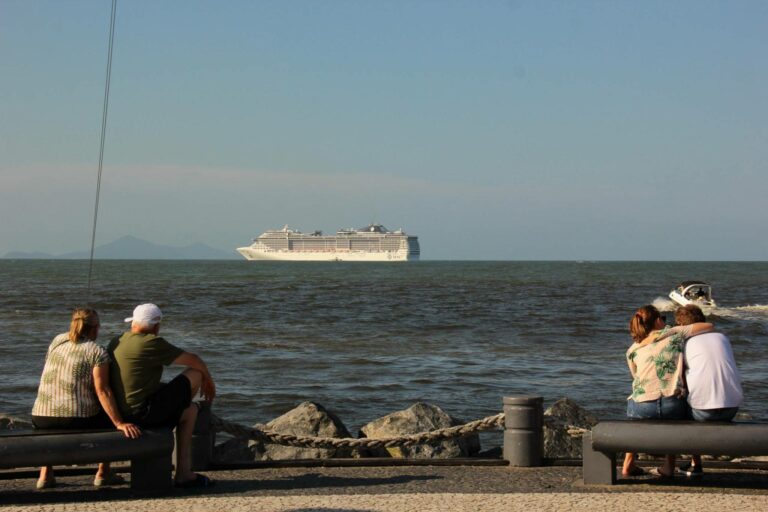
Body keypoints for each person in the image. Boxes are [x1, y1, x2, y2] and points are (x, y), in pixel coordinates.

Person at [108, 303, 216, 487]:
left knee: (190, 411)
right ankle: (182, 471)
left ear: (133, 322)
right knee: (196, 373)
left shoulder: (116, 341)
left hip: (120, 412)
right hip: (141, 415)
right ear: (157, 325)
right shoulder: (151, 342)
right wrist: (209, 383)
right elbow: (194, 360)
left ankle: (184, 472)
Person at [31, 308, 141, 489]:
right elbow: (103, 390)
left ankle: (45, 474)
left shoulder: (57, 340)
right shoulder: (97, 352)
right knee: (108, 414)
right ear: (95, 329)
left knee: (54, 403)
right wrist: (119, 422)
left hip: (40, 416)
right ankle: (103, 472)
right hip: (74, 419)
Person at [621, 305, 712, 478]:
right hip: (671, 403)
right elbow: (708, 327)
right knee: (679, 411)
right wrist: (677, 329)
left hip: (643, 406)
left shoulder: (632, 349)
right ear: (657, 321)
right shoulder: (676, 335)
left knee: (634, 410)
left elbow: (636, 378)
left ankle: (628, 464)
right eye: (663, 317)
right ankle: (669, 466)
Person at [675, 304, 743, 477]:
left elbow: (682, 380)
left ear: (683, 326)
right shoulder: (722, 338)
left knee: (678, 406)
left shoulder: (686, 343)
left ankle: (696, 464)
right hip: (732, 408)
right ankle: (695, 462)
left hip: (704, 413)